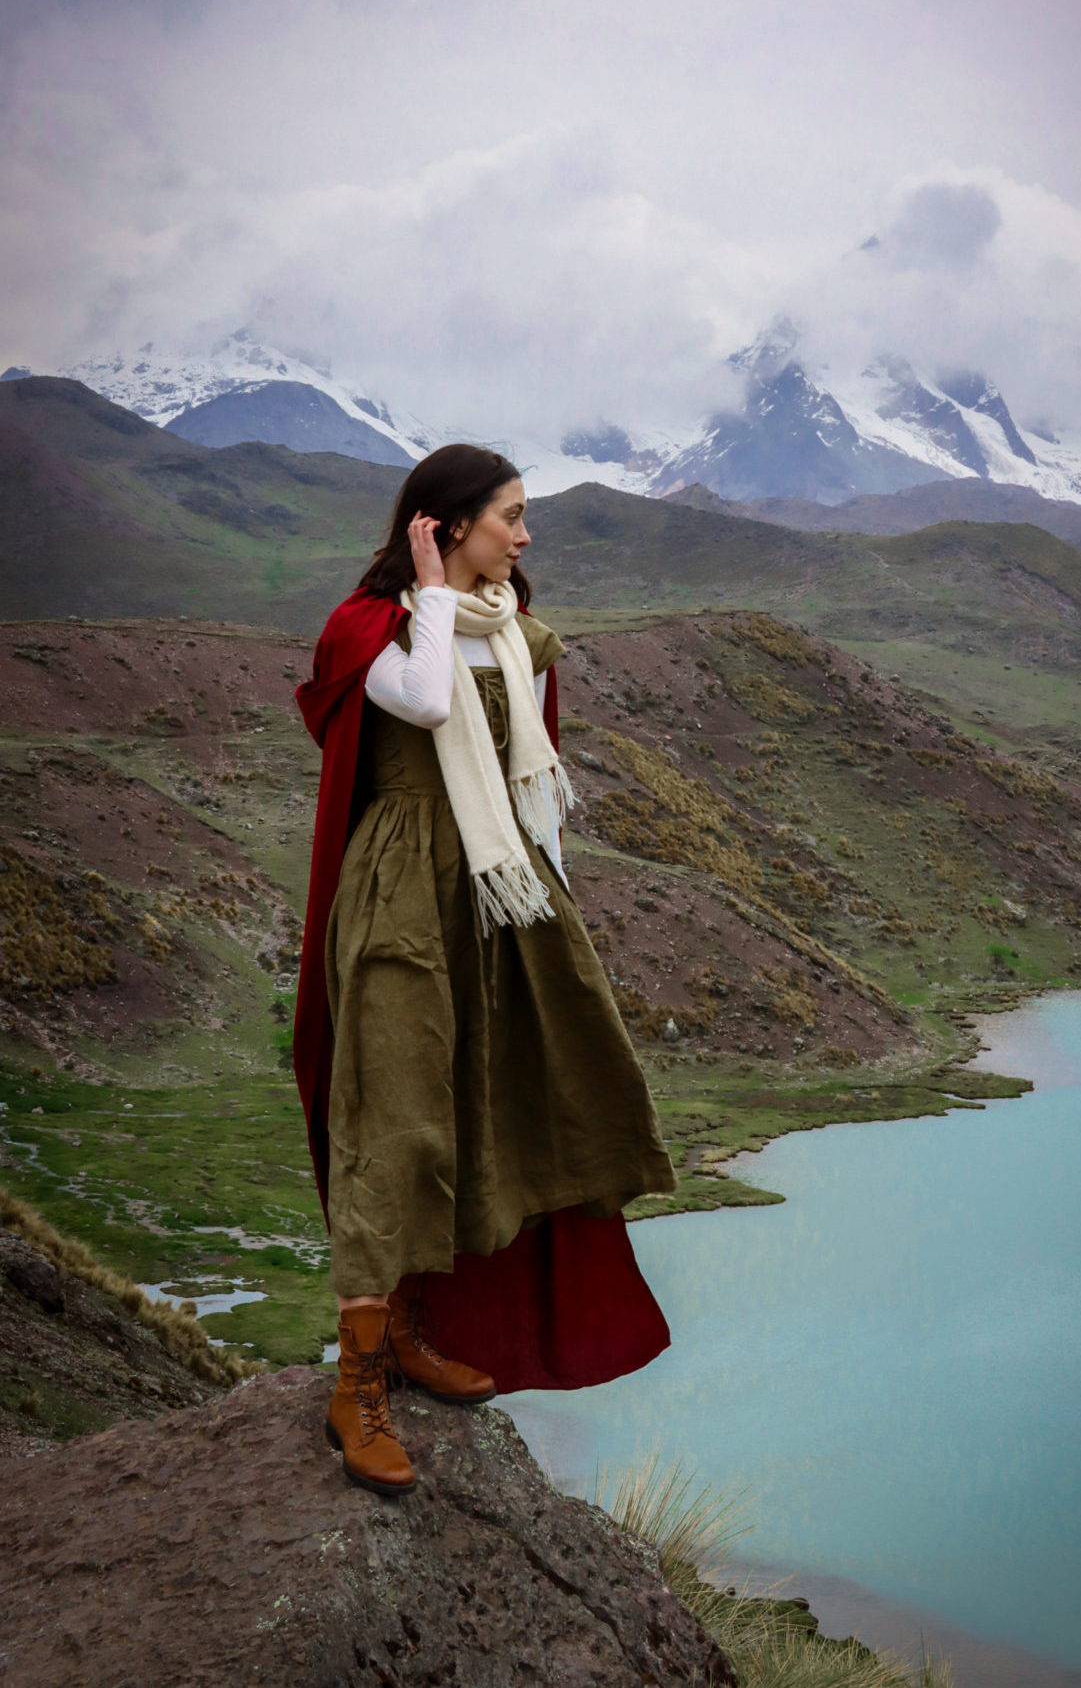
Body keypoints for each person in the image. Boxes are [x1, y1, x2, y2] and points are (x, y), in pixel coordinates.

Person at [293, 444, 678, 1496]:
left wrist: (552, 909)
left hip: (498, 893)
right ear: (443, 524)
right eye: (509, 515)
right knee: (394, 1118)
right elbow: (418, 705)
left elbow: (532, 771)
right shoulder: (369, 629)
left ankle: (414, 1328)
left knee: (473, 1110)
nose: (523, 533)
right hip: (404, 893)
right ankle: (356, 1383)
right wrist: (424, 592)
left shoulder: (510, 632)